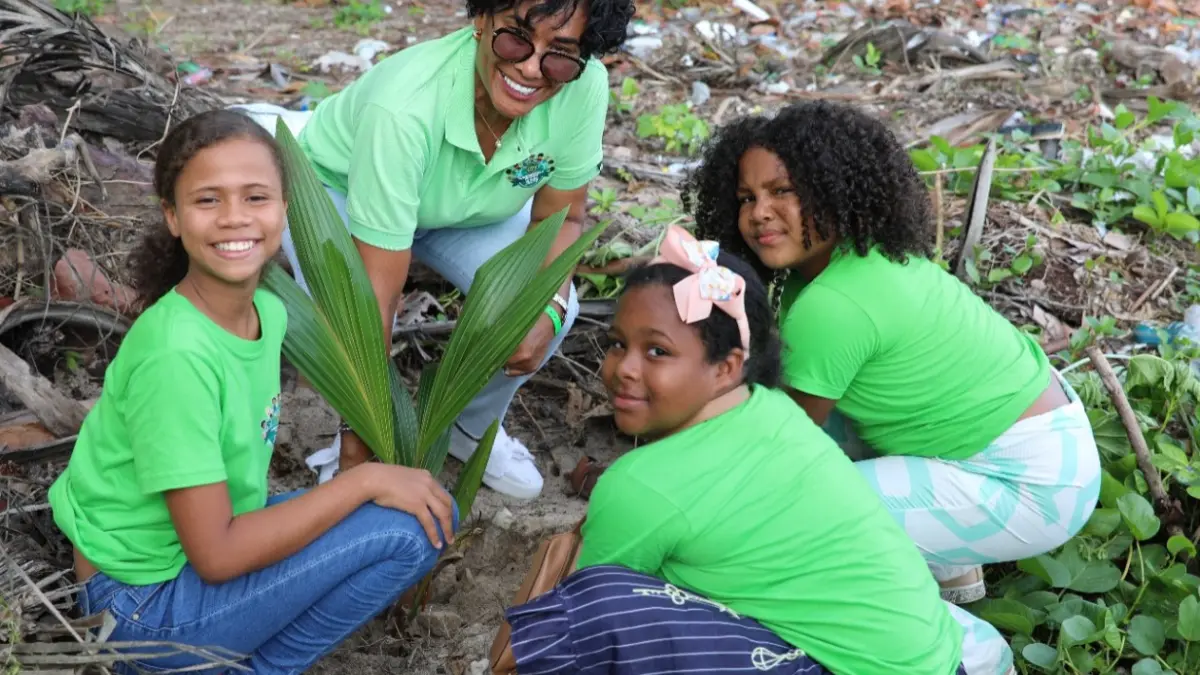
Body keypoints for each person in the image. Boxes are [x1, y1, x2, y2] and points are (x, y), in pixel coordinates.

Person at [47, 109, 458, 675]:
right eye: (207, 200)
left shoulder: (267, 310)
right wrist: (363, 480)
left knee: (425, 512)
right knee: (407, 528)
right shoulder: (176, 354)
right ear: (172, 216)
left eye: (256, 197)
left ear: (285, 209)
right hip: (138, 610)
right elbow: (216, 556)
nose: (234, 218)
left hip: (186, 566)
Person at [503, 225, 1004, 675]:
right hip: (938, 660)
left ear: (727, 367)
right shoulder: (773, 411)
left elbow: (580, 619)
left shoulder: (640, 486)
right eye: (617, 344)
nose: (624, 369)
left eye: (657, 351)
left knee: (593, 612)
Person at [684, 100, 1101, 608]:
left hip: (1032, 484)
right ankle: (945, 566)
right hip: (1038, 445)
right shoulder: (840, 267)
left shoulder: (835, 303)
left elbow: (775, 445)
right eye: (746, 197)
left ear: (836, 188)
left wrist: (667, 471)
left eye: (783, 191)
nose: (758, 213)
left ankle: (960, 650)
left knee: (792, 517)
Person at [274, 0, 636, 500]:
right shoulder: (405, 107)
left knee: (558, 306)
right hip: (341, 188)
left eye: (559, 55)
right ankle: (347, 444)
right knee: (340, 325)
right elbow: (373, 302)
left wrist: (546, 311)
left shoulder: (582, 85)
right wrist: (364, 452)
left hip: (463, 207)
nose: (531, 68)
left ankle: (467, 429)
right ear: (481, 19)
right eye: (516, 39)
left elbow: (564, 219)